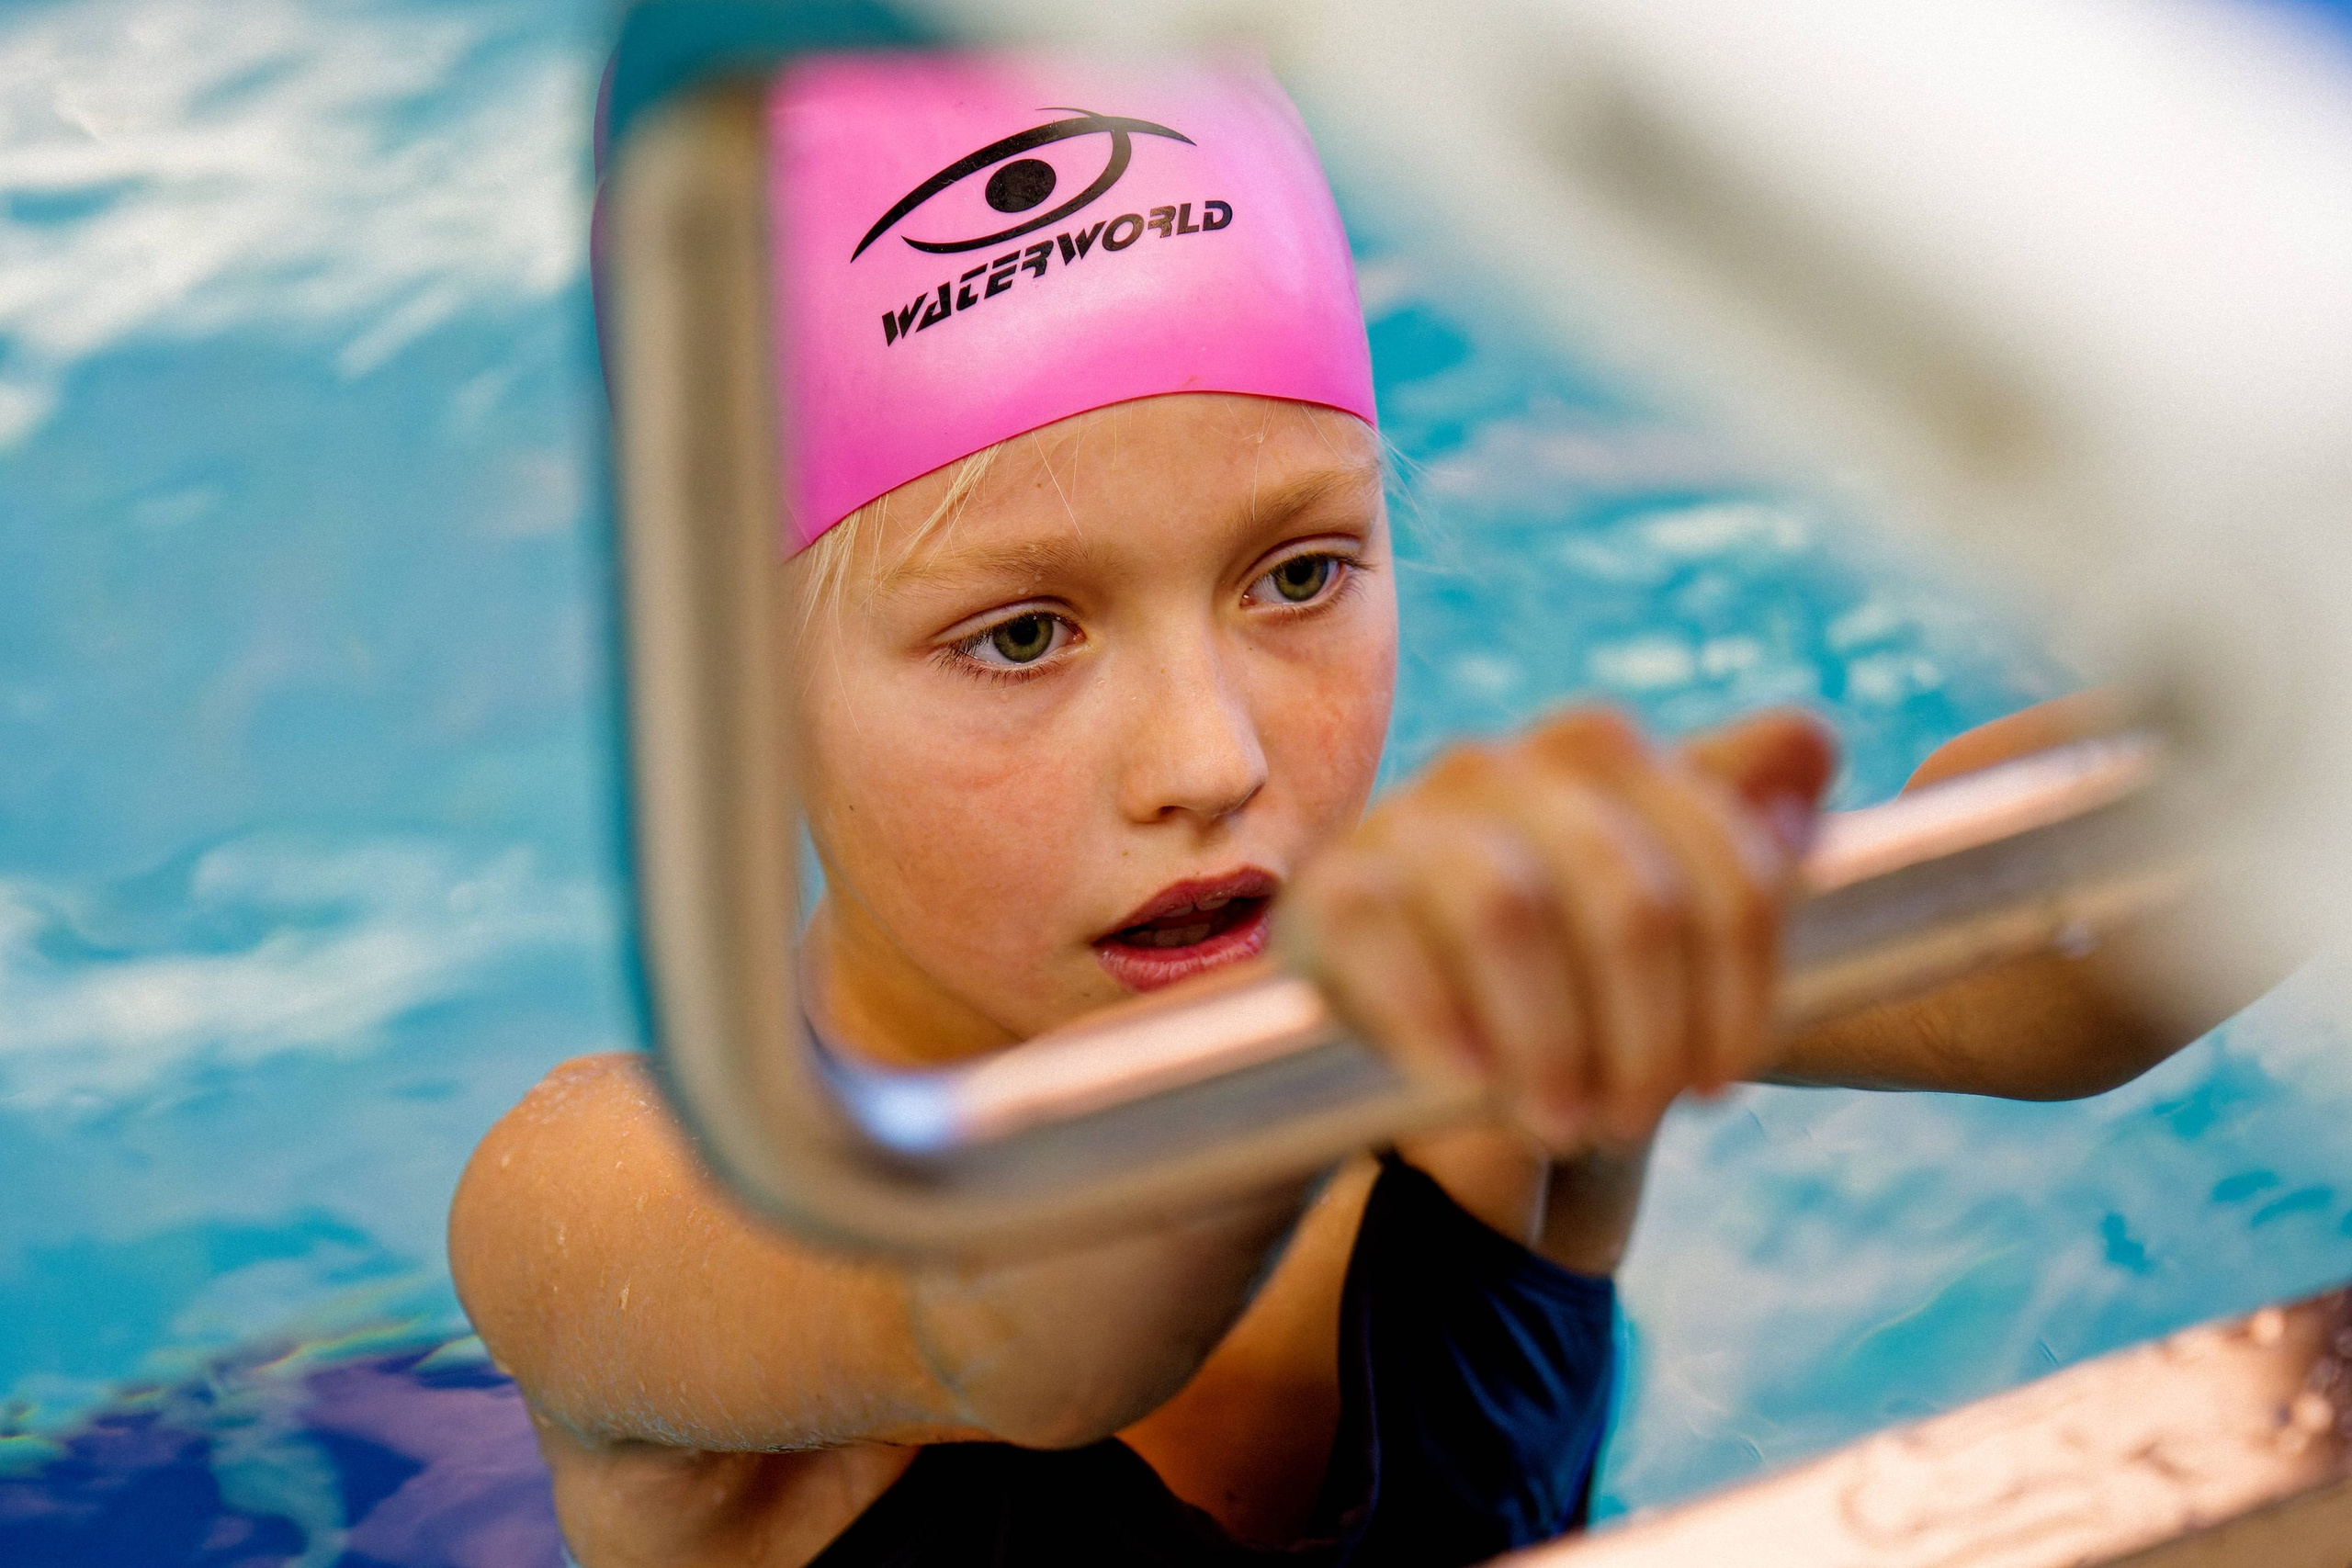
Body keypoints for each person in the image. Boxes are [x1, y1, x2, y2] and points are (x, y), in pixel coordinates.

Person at [450, 56, 2227, 1568]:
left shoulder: (1476, 1002)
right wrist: (1370, 1019)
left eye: (1299, 574)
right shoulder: (604, 1209)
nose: (1208, 757)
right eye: (1019, 634)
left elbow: (2034, 970)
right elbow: (1007, 1333)